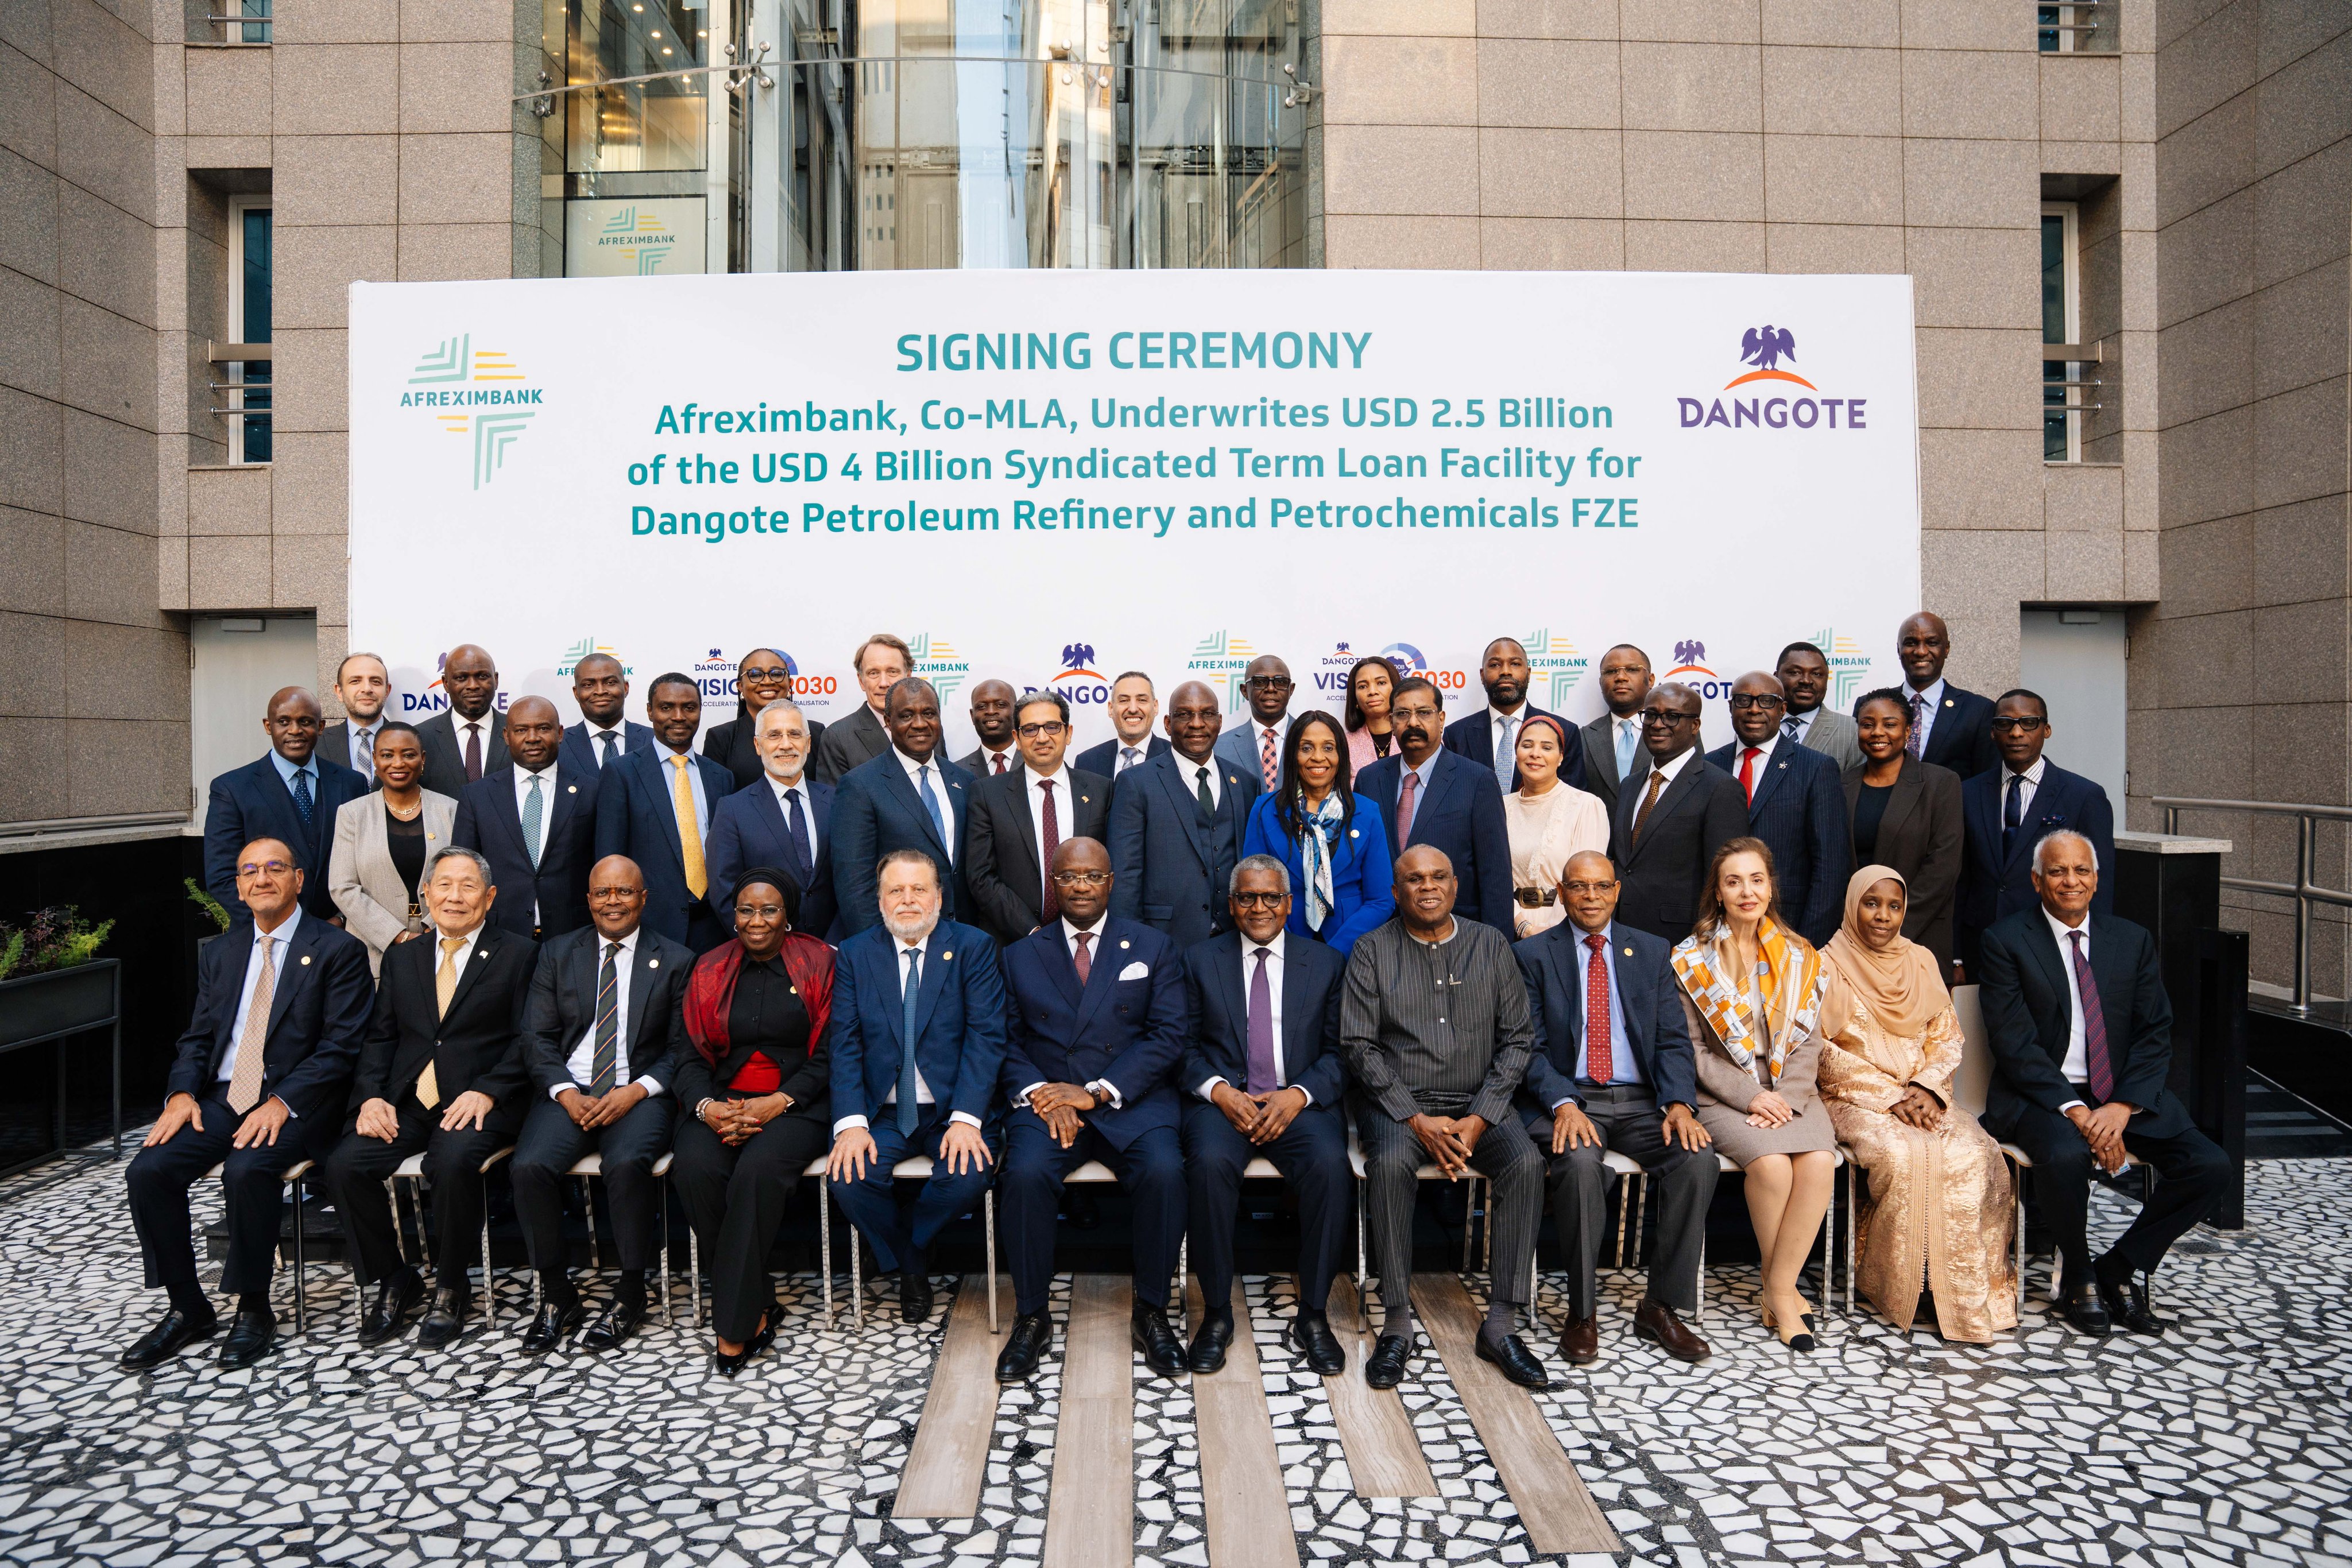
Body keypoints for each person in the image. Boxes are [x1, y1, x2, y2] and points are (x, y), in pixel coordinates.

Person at [119, 839, 372, 1371]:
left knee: (247, 1168)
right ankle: (188, 1307)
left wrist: (282, 1100)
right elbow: (198, 1037)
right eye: (250, 871)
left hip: (300, 1103)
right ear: (238, 886)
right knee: (149, 1169)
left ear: (298, 879)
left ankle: (255, 1308)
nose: (262, 879)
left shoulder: (336, 950)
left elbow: (341, 1046)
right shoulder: (222, 951)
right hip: (223, 1096)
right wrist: (181, 1094)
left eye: (274, 868)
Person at [1975, 830, 2229, 1337]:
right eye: (2057, 871)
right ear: (2036, 880)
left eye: (2081, 870)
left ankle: (2117, 1268)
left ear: (2096, 878)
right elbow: (2015, 1043)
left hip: (2119, 1096)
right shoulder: (2005, 940)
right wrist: (2077, 1110)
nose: (2071, 880)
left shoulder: (2130, 939)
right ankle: (2081, 1274)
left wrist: (2121, 1107)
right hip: (2043, 1096)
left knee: (2210, 1166)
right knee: (2066, 1155)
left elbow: (2156, 1030)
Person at [1345, 845, 1549, 1389]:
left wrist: (1480, 1117)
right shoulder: (1370, 951)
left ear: (1455, 886)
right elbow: (1359, 1046)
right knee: (1388, 1167)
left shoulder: (1490, 944)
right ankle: (1396, 1324)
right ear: (1396, 892)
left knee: (1526, 1164)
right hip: (1399, 1104)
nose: (1427, 887)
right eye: (1414, 879)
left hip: (1478, 1102)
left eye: (1438, 877)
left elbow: (1518, 1041)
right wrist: (1415, 1119)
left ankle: (1501, 1324)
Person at [322, 847, 537, 1349]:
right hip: (412, 1100)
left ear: (489, 898)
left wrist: (489, 1090)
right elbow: (380, 1037)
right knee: (345, 1164)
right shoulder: (404, 955)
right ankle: (395, 1276)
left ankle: (451, 1285)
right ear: (426, 894)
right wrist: (371, 1098)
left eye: (467, 886)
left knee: (453, 1161)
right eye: (443, 885)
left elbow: (529, 1038)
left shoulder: (519, 954)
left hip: (478, 1100)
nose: (454, 896)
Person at [993, 838, 1190, 1383]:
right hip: (1048, 1101)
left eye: (1092, 876)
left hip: (1129, 1098)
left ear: (1111, 882)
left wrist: (1099, 1090)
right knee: (1026, 1174)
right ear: (1053, 885)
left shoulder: (1152, 946)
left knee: (1165, 1171)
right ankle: (1032, 1315)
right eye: (1069, 877)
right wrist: (1041, 1092)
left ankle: (1151, 1309)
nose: (1081, 886)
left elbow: (1169, 1034)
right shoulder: (1019, 955)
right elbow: (1003, 1043)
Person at [1515, 850, 1715, 1366]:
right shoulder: (1534, 955)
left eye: (1602, 886)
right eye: (1579, 887)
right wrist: (1562, 1100)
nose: (1591, 897)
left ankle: (1660, 1306)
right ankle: (1582, 1313)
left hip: (1643, 1101)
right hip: (1574, 1097)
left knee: (1697, 1160)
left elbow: (1673, 1040)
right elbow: (1528, 1048)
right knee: (1580, 1166)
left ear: (1617, 891)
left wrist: (1678, 1103)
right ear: (1562, 892)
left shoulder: (1649, 951)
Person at [1816, 866, 2018, 1342]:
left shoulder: (1922, 960)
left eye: (1894, 905)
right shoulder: (1825, 964)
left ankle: (1961, 1289)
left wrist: (1928, 1087)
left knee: (1975, 1154)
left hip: (1927, 1098)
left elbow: (1947, 1037)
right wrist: (1889, 1096)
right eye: (1871, 903)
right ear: (1852, 905)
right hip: (1856, 1098)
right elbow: (1821, 1051)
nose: (1883, 915)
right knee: (1903, 1156)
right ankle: (1904, 1283)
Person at [510, 855, 694, 1353]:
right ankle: (557, 1292)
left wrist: (635, 1091)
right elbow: (537, 1037)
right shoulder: (556, 953)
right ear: (589, 898)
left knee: (628, 1162)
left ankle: (631, 1289)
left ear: (643, 898)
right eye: (603, 892)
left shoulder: (676, 959)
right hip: (571, 1088)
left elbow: (682, 1049)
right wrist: (566, 1094)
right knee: (528, 1167)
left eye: (624, 891)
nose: (614, 900)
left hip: (639, 1092)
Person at [1180, 855, 1353, 1376]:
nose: (1260, 907)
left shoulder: (1323, 962)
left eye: (1271, 897)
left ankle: (1314, 1314)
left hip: (1296, 1102)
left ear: (1289, 904)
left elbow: (1343, 1052)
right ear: (1232, 905)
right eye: (1248, 898)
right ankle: (1215, 1314)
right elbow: (1180, 1047)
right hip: (1223, 1102)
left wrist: (1298, 1094)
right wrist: (1217, 1091)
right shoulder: (1198, 960)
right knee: (1207, 1166)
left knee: (1330, 1168)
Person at [825, 849, 1007, 1325]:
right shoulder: (855, 953)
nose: (908, 900)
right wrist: (851, 1124)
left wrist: (968, 1118)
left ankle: (910, 1252)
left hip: (951, 1108)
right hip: (883, 1112)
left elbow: (986, 1037)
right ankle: (912, 1264)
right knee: (848, 1177)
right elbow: (843, 1043)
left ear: (939, 897)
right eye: (896, 890)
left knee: (967, 1175)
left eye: (919, 888)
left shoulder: (974, 947)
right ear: (880, 899)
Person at [1670, 838, 1837, 1352]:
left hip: (1792, 1090)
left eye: (1757, 879)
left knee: (1818, 1162)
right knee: (1772, 1166)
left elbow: (1810, 1040)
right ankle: (1785, 1297)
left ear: (1771, 887)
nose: (1747, 891)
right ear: (1718, 893)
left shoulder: (1799, 953)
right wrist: (1750, 1096)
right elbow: (1692, 1051)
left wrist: (1784, 1094)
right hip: (1723, 1094)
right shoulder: (1689, 958)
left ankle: (1776, 1287)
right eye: (1734, 881)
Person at [670, 869, 835, 1372]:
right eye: (746, 909)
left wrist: (778, 1101)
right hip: (724, 1100)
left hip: (798, 1102)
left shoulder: (821, 963)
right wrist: (708, 1108)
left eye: (769, 909)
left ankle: (734, 1326)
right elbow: (688, 1057)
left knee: (758, 1171)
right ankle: (759, 1296)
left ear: (788, 916)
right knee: (695, 1166)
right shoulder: (709, 968)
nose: (756, 920)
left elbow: (833, 1054)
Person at [1958, 688, 2116, 974]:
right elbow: (1959, 877)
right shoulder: (1967, 792)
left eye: (2029, 722)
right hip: (1980, 941)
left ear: (2047, 730)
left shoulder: (2084, 795)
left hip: (2052, 942)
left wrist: (2095, 955)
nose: (2016, 733)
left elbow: (2098, 883)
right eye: (2005, 724)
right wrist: (1956, 955)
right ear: (1993, 733)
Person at [1108, 680, 1262, 952]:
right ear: (1167, 724)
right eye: (1184, 714)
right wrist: (1131, 945)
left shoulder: (1245, 783)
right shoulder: (1136, 783)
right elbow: (1125, 874)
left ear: (1220, 722)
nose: (1197, 723)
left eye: (1207, 714)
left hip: (1236, 942)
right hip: (1163, 941)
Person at [1357, 677, 1515, 936]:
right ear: (1391, 722)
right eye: (1403, 714)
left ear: (1441, 719)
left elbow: (1495, 875)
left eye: (1423, 713)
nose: (1413, 723)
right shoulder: (1369, 779)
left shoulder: (1477, 780)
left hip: (1457, 934)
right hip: (1382, 937)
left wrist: (1498, 951)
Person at [1705, 672, 1851, 947]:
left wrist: (1808, 942)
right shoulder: (1709, 765)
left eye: (1767, 701)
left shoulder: (1815, 768)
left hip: (1790, 927)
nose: (1754, 709)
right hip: (1718, 933)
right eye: (1744, 700)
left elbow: (1831, 868)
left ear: (1783, 709)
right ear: (1731, 707)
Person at [593, 672, 736, 954]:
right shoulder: (621, 773)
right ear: (650, 711)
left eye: (689, 708)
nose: (679, 716)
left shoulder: (721, 777)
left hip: (715, 926)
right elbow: (610, 858)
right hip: (650, 926)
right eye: (667, 707)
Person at [204, 686, 368, 924]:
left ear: (320, 727)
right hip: (266, 936)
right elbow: (222, 876)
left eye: (305, 722)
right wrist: (279, 925)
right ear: (268, 726)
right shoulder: (232, 789)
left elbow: (363, 864)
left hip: (339, 933)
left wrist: (343, 918)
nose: (295, 730)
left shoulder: (351, 783)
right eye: (284, 721)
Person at [1240, 711, 1395, 956]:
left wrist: (1335, 953)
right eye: (1306, 748)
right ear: (1293, 755)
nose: (1318, 758)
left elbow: (1381, 900)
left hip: (1349, 951)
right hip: (1283, 949)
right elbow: (1252, 888)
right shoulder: (1264, 809)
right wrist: (1290, 948)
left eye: (1329, 748)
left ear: (1341, 756)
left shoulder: (1368, 812)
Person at [965, 690, 1111, 948]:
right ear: (1017, 739)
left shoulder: (1101, 790)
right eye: (1031, 729)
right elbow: (981, 876)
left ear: (1069, 733)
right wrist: (1032, 932)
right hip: (1013, 943)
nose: (1042, 737)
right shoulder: (987, 794)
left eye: (1053, 727)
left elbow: (1112, 868)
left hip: (1089, 940)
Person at [831, 677, 975, 935]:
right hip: (895, 940)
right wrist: (878, 948)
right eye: (907, 715)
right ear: (888, 721)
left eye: (929, 714)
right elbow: (855, 884)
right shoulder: (860, 785)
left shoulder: (964, 780)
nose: (920, 724)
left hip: (962, 938)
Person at [1608, 682, 1748, 943]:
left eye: (1672, 716)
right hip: (1622, 934)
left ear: (1695, 725)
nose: (1658, 724)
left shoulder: (1721, 788)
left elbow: (1726, 877)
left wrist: (1708, 943)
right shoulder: (1630, 785)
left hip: (1686, 941)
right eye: (1650, 715)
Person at [453, 696, 598, 943]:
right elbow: (464, 871)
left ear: (560, 733)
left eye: (543, 728)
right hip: (499, 936)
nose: (532, 738)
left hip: (575, 936)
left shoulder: (592, 791)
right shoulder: (477, 796)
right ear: (507, 736)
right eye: (521, 730)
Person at [1841, 688, 1965, 975]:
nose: (1877, 732)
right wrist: (1857, 931)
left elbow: (1943, 869)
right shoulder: (1840, 784)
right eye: (1867, 724)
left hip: (1917, 941)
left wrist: (1888, 928)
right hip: (1851, 943)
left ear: (1908, 730)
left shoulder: (1941, 783)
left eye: (1890, 724)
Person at [329, 722, 457, 975]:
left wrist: (432, 929)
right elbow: (342, 887)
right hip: (372, 955)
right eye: (387, 755)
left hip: (442, 947)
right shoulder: (352, 814)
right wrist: (398, 936)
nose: (398, 763)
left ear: (423, 760)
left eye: (408, 755)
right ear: (375, 760)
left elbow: (460, 878)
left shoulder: (451, 810)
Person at [706, 699, 837, 939]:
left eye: (795, 734)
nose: (786, 745)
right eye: (774, 735)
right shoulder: (733, 810)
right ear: (758, 745)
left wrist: (834, 945)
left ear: (808, 743)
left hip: (834, 952)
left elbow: (852, 882)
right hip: (765, 958)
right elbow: (724, 892)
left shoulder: (836, 801)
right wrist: (763, 947)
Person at [1500, 715, 1611, 937]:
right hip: (1507, 929)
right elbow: (1494, 878)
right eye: (1527, 745)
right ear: (1516, 752)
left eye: (1547, 747)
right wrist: (1522, 926)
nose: (1535, 754)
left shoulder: (1586, 806)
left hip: (1568, 931)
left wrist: (1551, 935)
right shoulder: (1501, 806)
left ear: (1561, 756)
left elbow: (1586, 884)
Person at [1444, 637, 1586, 793]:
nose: (1505, 671)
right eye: (1495, 665)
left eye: (1515, 664)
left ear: (1529, 673)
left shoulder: (1565, 731)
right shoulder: (1456, 735)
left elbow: (1573, 800)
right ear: (1482, 675)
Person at [1895, 612, 1998, 781]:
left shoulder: (1978, 710)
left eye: (1932, 643)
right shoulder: (1872, 705)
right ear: (1899, 650)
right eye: (1911, 643)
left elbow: (1986, 782)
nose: (1921, 652)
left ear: (1947, 649)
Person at [813, 633, 911, 783]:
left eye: (892, 672)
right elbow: (838, 803)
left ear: (908, 677)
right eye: (873, 673)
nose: (884, 683)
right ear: (861, 681)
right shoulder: (838, 738)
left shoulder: (929, 728)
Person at [416, 644, 509, 798]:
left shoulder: (519, 733)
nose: (473, 686)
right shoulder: (420, 737)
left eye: (482, 676)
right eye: (462, 678)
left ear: (496, 680)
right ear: (446, 683)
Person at [703, 649, 799, 791]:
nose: (767, 681)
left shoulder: (815, 733)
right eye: (755, 675)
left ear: (789, 683)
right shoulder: (721, 738)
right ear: (740, 686)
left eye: (777, 674)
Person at [1579, 644, 1653, 819]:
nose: (1620, 677)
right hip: (1599, 844)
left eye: (1632, 669)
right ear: (1600, 682)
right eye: (1611, 672)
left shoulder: (1674, 733)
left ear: (1650, 680)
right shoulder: (1583, 737)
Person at [1774, 642, 1863, 773]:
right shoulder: (1757, 724)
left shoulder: (1852, 731)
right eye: (1795, 672)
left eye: (1816, 674)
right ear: (1776, 677)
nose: (1806, 681)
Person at [1214, 654, 1299, 792]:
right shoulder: (1220, 747)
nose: (1271, 688)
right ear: (1244, 691)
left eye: (1281, 682)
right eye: (1260, 682)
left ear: (1291, 690)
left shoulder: (1310, 738)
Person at [560, 652, 653, 775]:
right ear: (576, 693)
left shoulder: (654, 740)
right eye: (589, 685)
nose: (600, 691)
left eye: (610, 683)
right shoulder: (558, 745)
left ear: (625, 688)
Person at [315, 651, 392, 789]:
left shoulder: (411, 741)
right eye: (355, 681)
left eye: (376, 681)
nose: (367, 689)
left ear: (387, 690)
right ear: (339, 692)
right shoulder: (317, 743)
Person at [1073, 671, 1169, 779]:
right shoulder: (1086, 762)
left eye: (1142, 700)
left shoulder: (1175, 757)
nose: (1133, 709)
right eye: (1124, 700)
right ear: (1111, 709)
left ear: (1155, 707)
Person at [1342, 654, 1401, 774]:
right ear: (1355, 698)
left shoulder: (1416, 737)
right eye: (1363, 686)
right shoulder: (1343, 745)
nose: (1372, 692)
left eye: (1381, 683)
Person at [954, 677, 1020, 777]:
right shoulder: (957, 772)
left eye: (1000, 705)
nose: (991, 711)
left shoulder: (1038, 761)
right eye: (982, 707)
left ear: (1016, 712)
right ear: (972, 716)